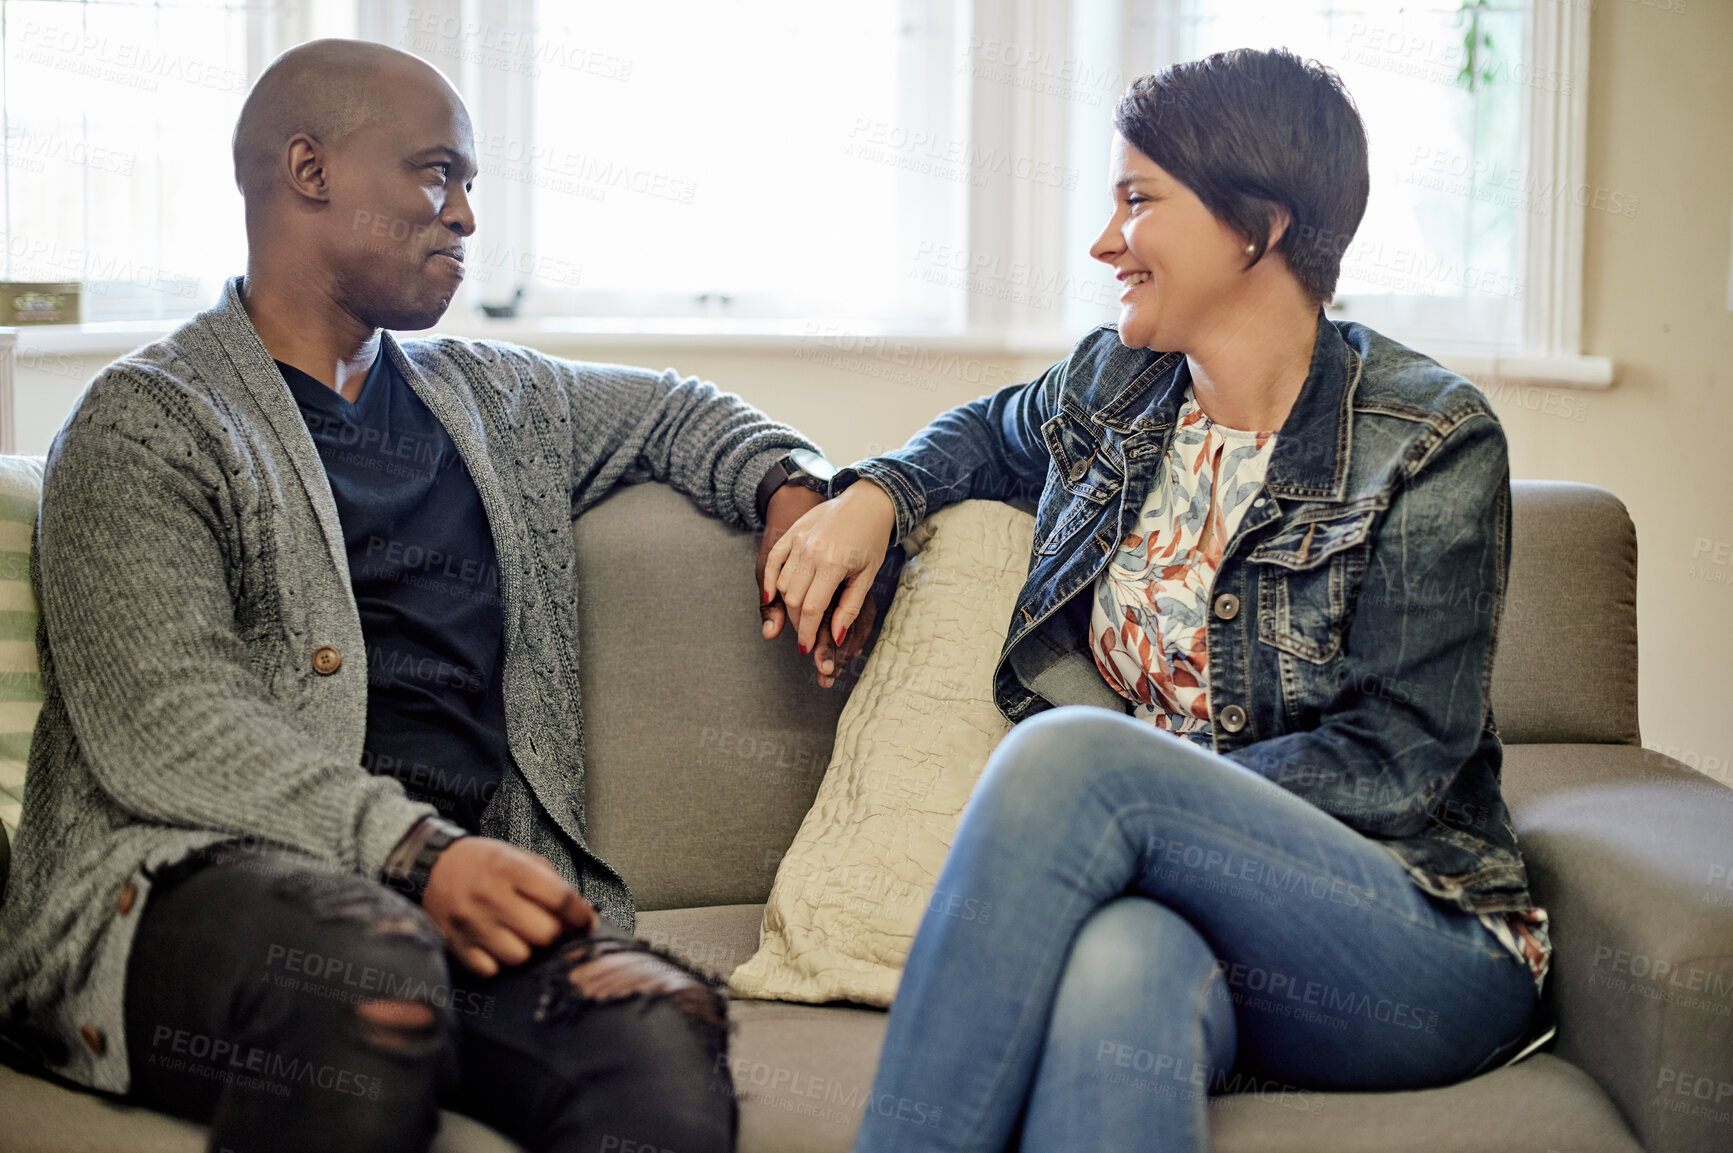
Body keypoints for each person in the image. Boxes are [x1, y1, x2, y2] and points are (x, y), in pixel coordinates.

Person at [0, 38, 870, 1153]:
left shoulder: (496, 398)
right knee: (371, 974)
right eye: (434, 174)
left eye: (470, 185)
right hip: (181, 894)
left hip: (436, 900)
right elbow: (168, 726)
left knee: (653, 1027)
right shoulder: (150, 423)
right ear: (310, 172)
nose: (463, 215)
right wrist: (417, 852)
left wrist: (791, 484)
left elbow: (678, 411)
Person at [762, 47, 1553, 1152]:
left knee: (1073, 757)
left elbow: (1397, 757)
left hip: (1414, 933)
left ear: (1257, 225)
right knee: (1117, 968)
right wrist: (877, 496)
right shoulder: (1117, 386)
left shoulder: (1426, 438)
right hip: (1205, 925)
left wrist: (1154, 799)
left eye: (1137, 201)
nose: (1102, 243)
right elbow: (985, 434)